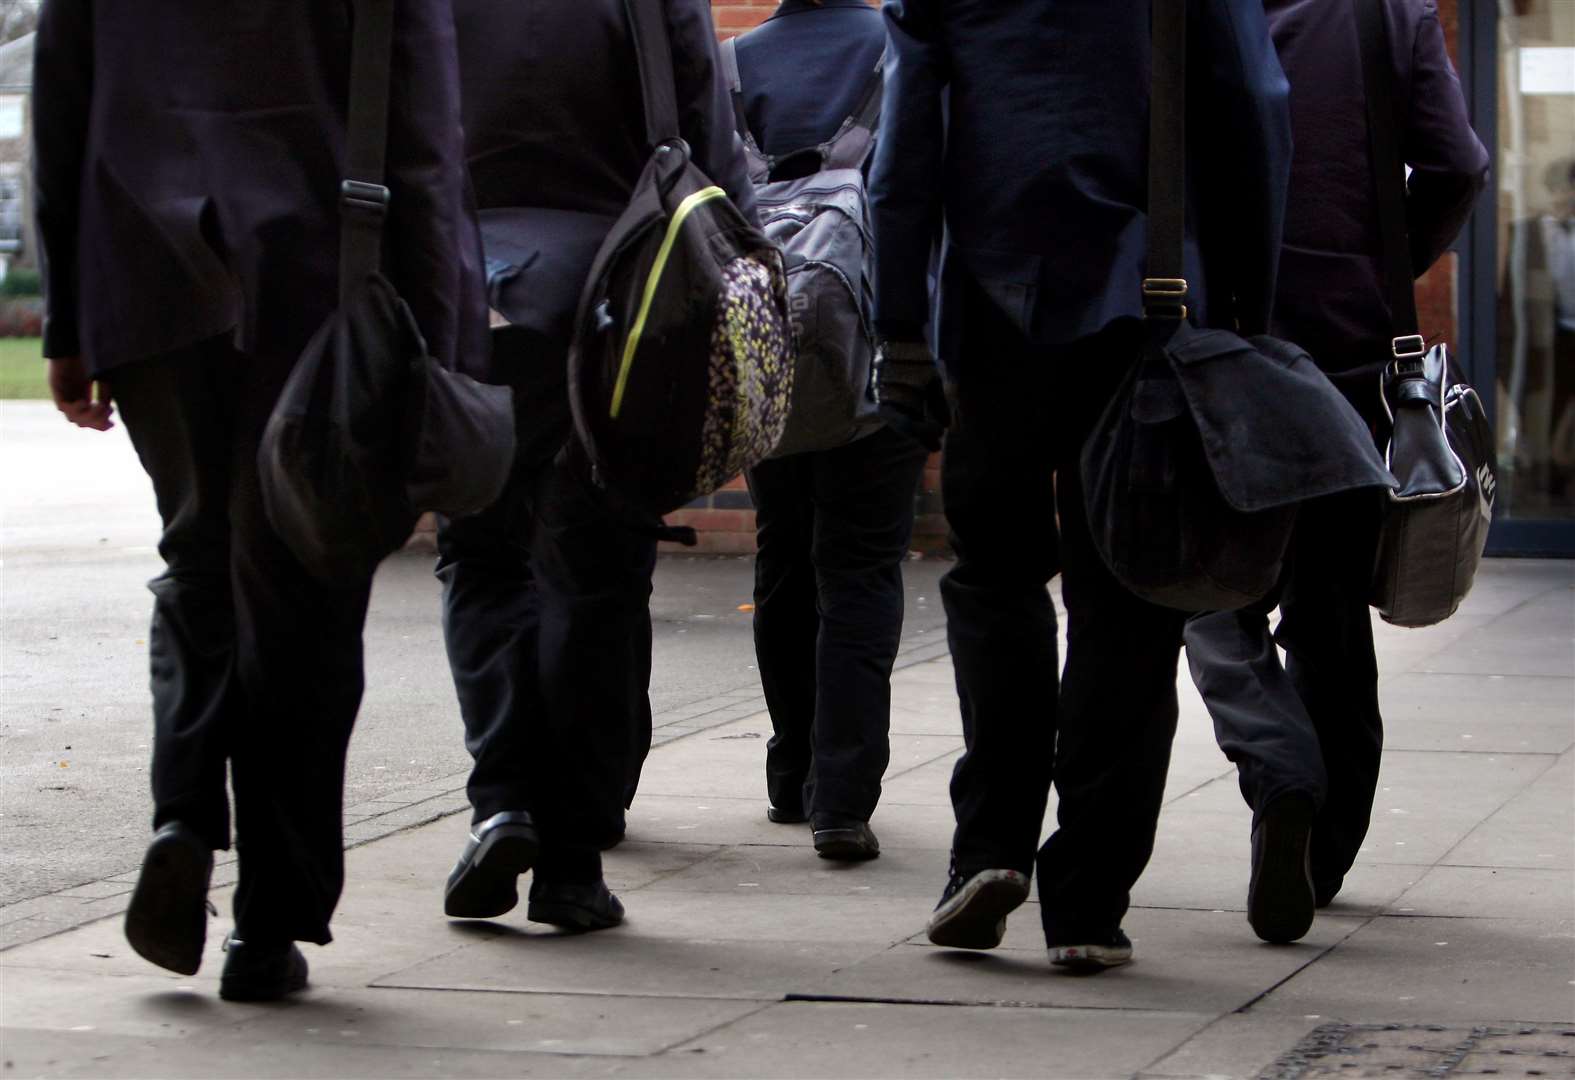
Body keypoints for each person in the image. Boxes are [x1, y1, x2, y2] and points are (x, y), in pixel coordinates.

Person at [32, 0, 486, 1000]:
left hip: (144, 273)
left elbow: (61, 99)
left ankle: (184, 816)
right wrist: (444, 353)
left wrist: (70, 320)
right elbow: (426, 148)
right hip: (321, 277)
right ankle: (269, 922)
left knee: (196, 555)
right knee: (308, 591)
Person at [870, 0, 1292, 970]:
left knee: (996, 577)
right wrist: (1250, 312)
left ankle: (988, 848)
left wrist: (899, 322)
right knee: (1129, 597)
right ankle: (1091, 898)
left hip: (995, 303)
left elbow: (908, 143)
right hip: (1149, 303)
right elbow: (1256, 109)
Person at [437, 0, 755, 930]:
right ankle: (573, 863)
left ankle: (501, 801)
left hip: (466, 295)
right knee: (597, 576)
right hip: (618, 300)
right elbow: (711, 148)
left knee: (482, 554)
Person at [1185, 0, 1488, 943]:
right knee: (1327, 606)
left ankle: (1279, 770)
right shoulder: (1384, 14)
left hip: (1221, 347)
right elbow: (1457, 165)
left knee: (1210, 593)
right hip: (1352, 348)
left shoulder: (1188, 14)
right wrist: (1378, 263)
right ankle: (1325, 851)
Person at [729, 0, 929, 861]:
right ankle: (840, 802)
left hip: (768, 344)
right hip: (880, 341)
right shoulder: (904, 46)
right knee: (859, 568)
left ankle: (790, 770)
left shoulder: (734, 66)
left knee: (783, 554)